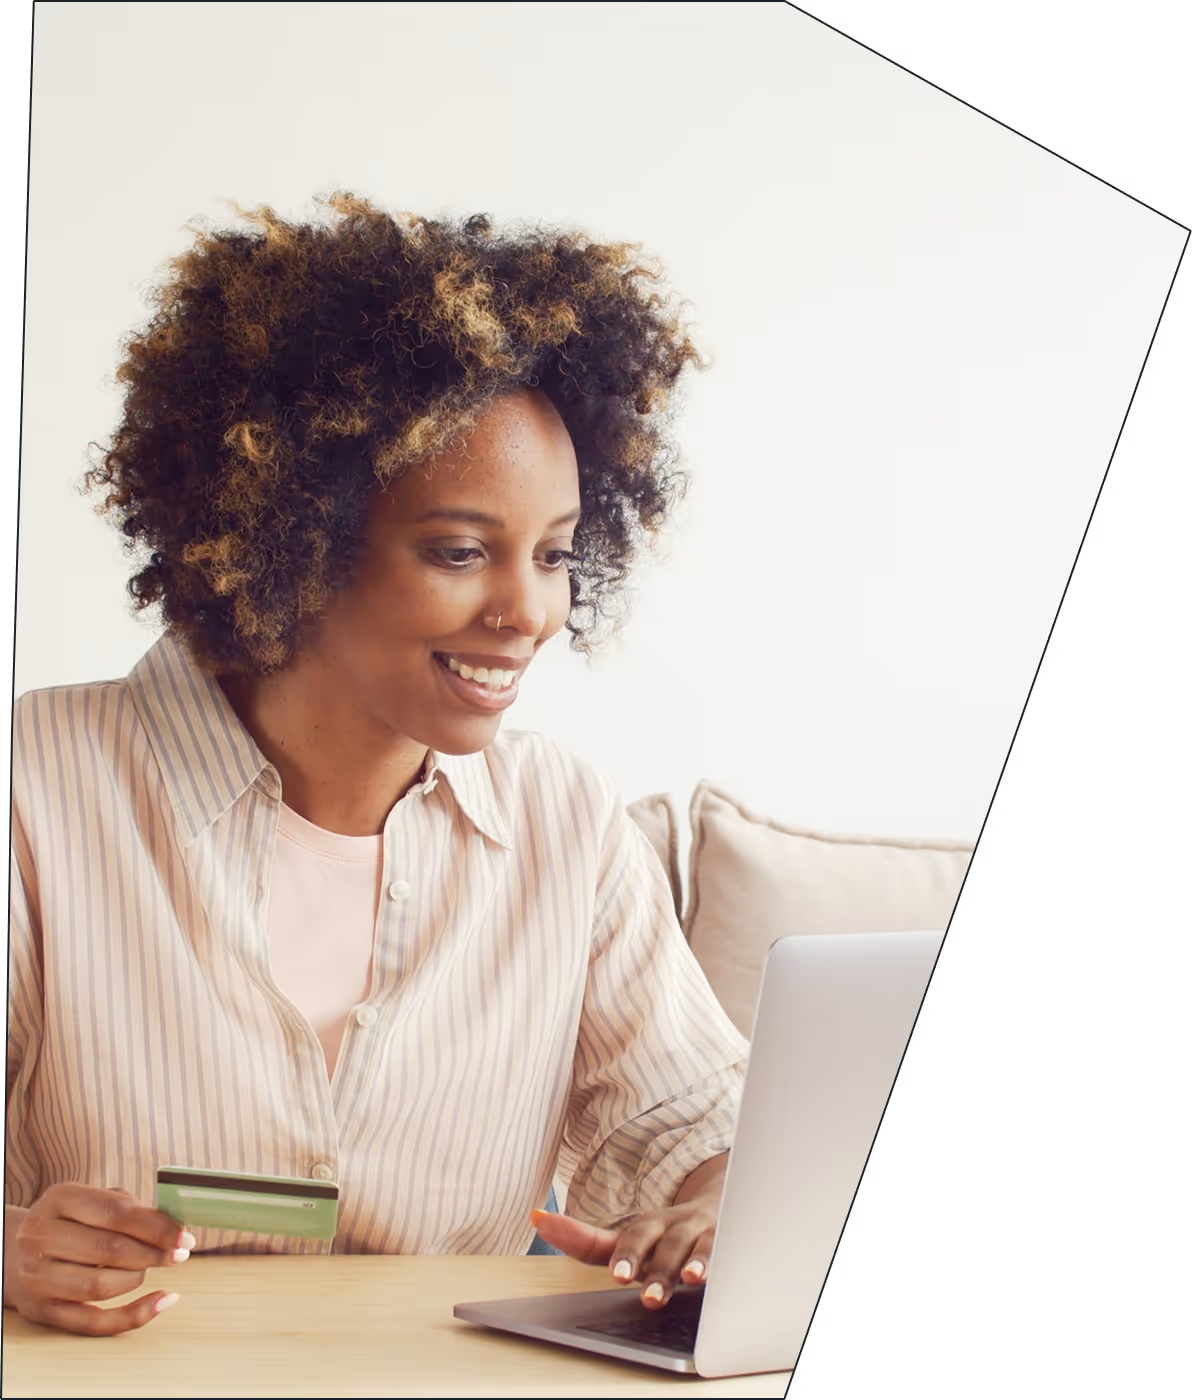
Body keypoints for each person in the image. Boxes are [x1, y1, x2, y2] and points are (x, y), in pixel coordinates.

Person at [6, 194, 748, 1337]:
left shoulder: (565, 821)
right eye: (460, 550)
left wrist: (714, 1199)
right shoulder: (40, 786)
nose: (527, 611)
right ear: (293, 535)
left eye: (553, 555)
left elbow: (694, 1120)